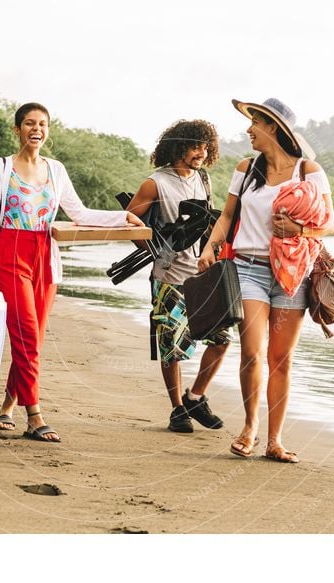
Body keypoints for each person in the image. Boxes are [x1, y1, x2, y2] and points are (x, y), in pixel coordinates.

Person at [0, 102, 143, 442]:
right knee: (28, 335)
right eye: (29, 123)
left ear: (48, 130)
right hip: (9, 254)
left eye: (43, 124)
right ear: (17, 129)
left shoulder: (56, 169)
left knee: (32, 337)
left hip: (45, 258)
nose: (36, 129)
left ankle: (7, 406)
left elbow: (79, 213)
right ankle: (34, 414)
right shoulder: (1, 169)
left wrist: (121, 217)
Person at [198, 98, 334, 462]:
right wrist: (210, 247)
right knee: (252, 351)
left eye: (254, 122)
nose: (248, 130)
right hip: (249, 269)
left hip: (293, 274)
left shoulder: (309, 171)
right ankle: (250, 426)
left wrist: (300, 228)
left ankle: (275, 440)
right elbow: (228, 215)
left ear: (273, 127)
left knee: (280, 359)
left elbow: (329, 224)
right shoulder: (246, 169)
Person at [126, 120, 231, 433]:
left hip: (203, 275)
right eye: (194, 146)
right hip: (169, 276)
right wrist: (155, 251)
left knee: (221, 339)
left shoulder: (203, 179)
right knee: (171, 346)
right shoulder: (155, 183)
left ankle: (196, 396)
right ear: (177, 146)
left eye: (205, 147)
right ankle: (177, 409)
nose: (201, 152)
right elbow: (130, 220)